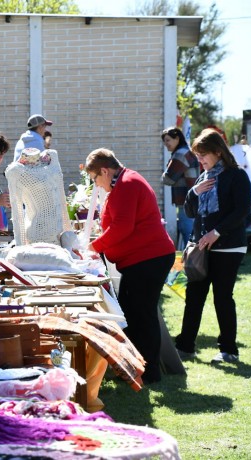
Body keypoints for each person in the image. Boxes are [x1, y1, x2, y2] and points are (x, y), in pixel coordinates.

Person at [86, 148, 175, 384]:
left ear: (104, 170)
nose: (97, 185)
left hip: (149, 259)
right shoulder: (124, 182)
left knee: (141, 315)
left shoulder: (127, 183)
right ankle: (134, 367)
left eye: (95, 179)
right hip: (142, 259)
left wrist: (94, 246)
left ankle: (149, 371)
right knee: (131, 312)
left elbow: (122, 227)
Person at [175, 128, 251, 364]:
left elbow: (242, 211)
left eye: (203, 155)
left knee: (222, 297)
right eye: (197, 156)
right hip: (201, 247)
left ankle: (228, 350)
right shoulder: (202, 177)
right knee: (194, 296)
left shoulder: (236, 175)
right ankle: (185, 346)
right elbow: (190, 212)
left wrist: (216, 232)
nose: (200, 160)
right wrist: (193, 192)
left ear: (218, 152)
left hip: (228, 247)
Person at [161, 126, 199, 247]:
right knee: (192, 231)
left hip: (186, 199)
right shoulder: (187, 151)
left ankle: (194, 260)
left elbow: (168, 179)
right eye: (164, 141)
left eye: (168, 140)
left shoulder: (180, 154)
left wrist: (165, 172)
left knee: (187, 231)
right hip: (194, 197)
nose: (165, 144)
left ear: (177, 138)